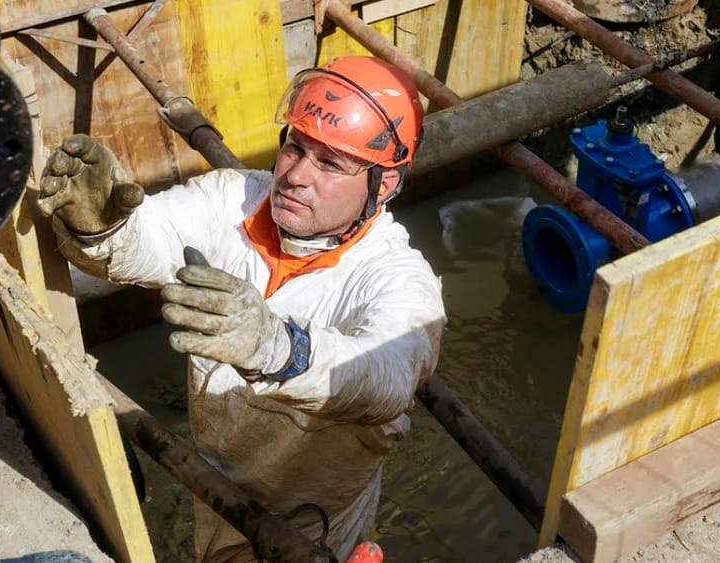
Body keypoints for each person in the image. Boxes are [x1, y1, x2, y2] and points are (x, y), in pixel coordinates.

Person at [36, 55, 446, 562]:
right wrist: (100, 228)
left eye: (330, 164)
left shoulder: (399, 280)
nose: (295, 175)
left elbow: (387, 376)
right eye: (296, 147)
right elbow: (152, 238)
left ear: (382, 186)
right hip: (215, 485)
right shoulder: (233, 200)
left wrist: (278, 348)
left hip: (319, 519)